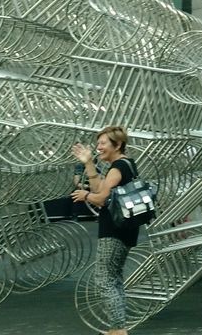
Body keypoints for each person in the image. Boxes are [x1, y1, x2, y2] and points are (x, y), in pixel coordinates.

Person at [71, 126, 143, 335]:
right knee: (114, 278)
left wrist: (84, 196)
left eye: (103, 143)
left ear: (117, 144)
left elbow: (101, 199)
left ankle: (118, 330)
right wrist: (89, 163)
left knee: (103, 278)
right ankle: (118, 327)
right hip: (124, 229)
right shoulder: (124, 164)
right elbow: (100, 189)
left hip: (114, 229)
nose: (98, 147)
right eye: (98, 143)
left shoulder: (118, 167)